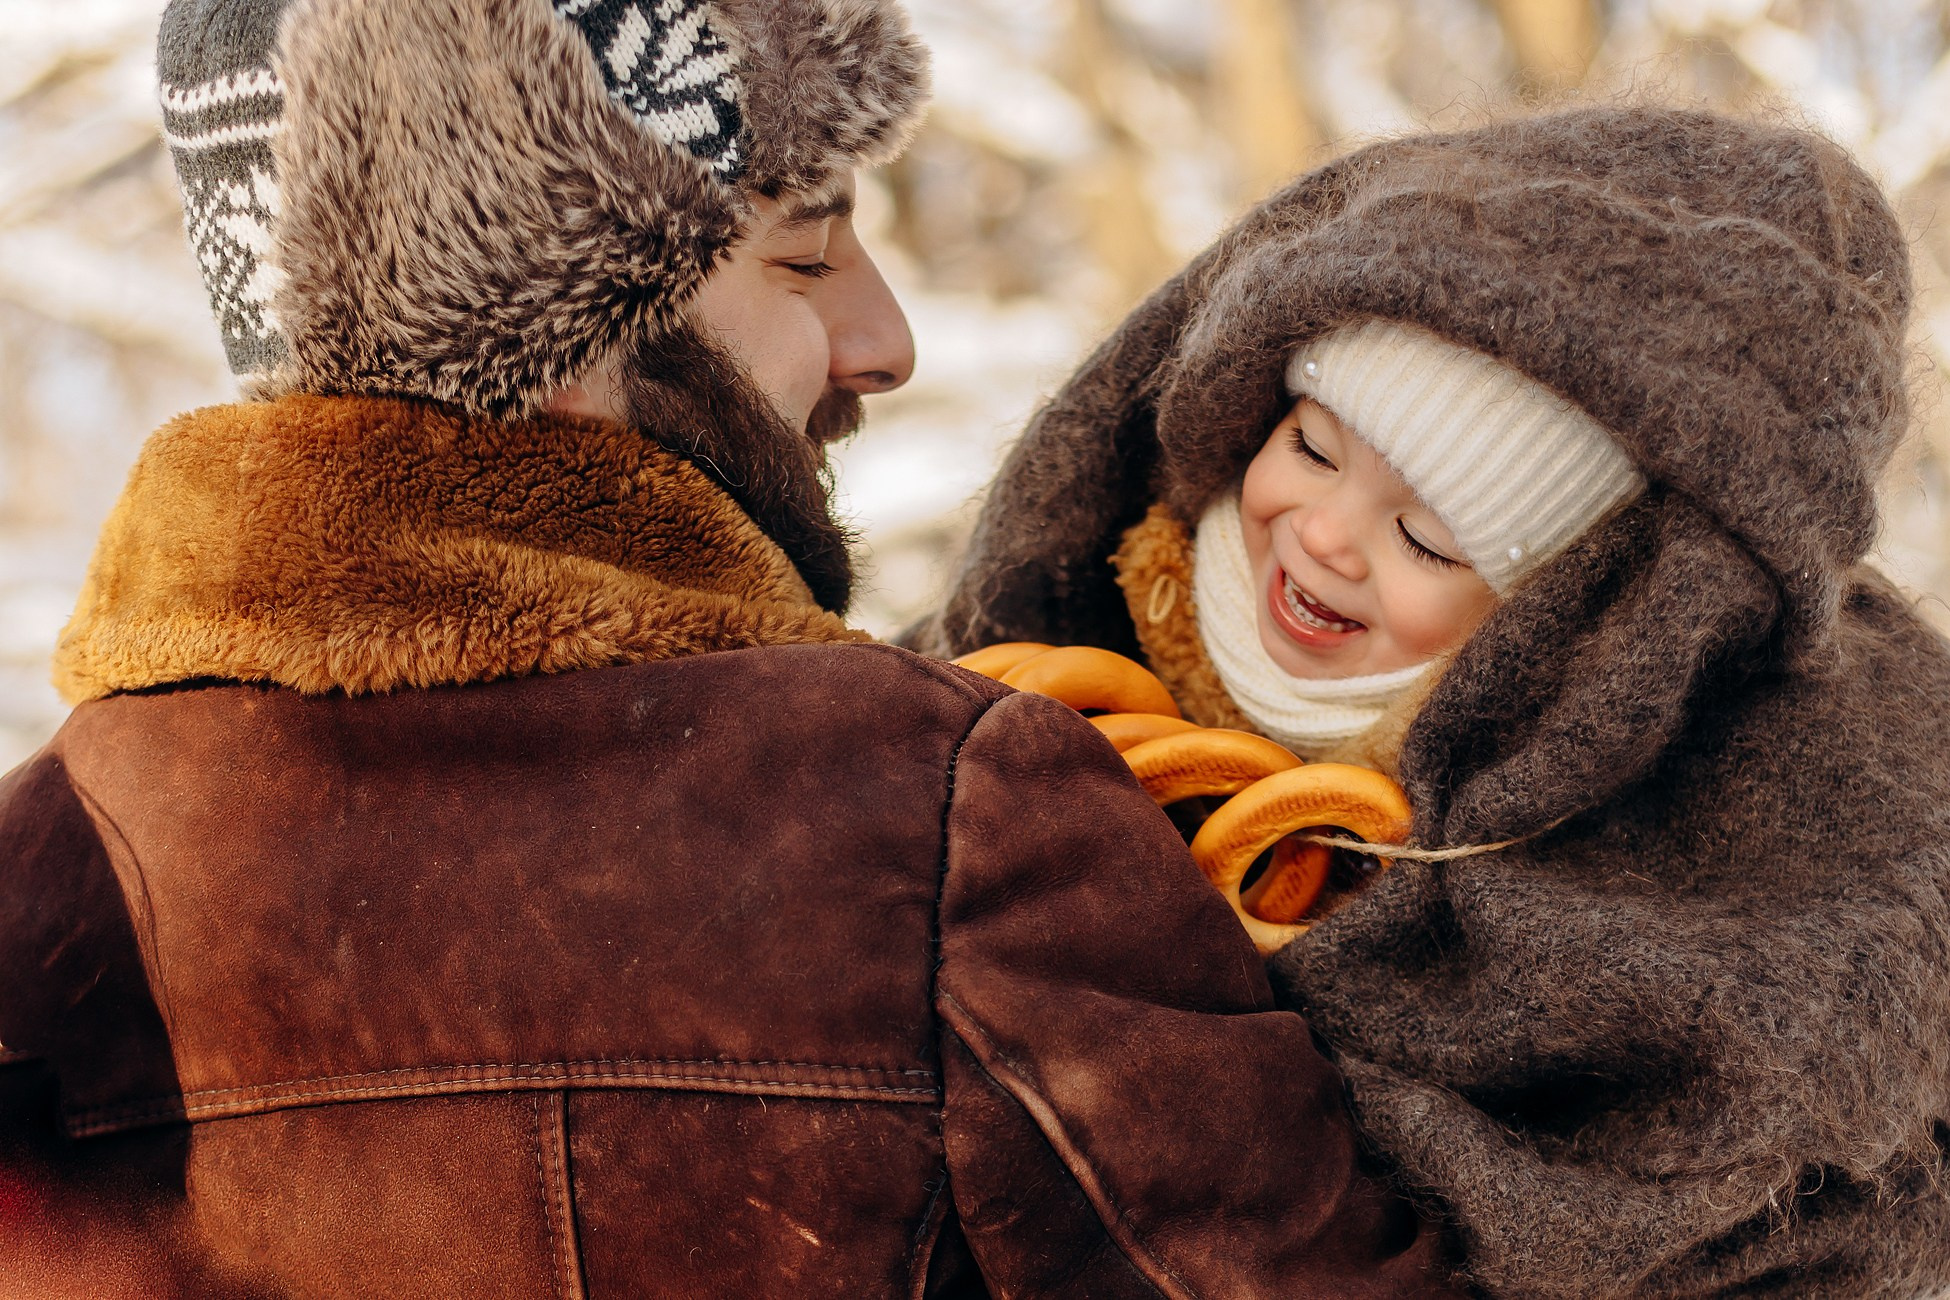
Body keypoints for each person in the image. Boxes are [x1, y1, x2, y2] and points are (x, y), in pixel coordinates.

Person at [0, 2, 1465, 1297]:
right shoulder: (945, 812)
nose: (884, 339)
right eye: (805, 254)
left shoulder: (37, 877)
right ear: (544, 316)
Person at [916, 105, 1950, 1296]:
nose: (1321, 535)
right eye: (1310, 446)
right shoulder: (1064, 625)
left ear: (1568, 630)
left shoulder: (1733, 888)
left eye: (1423, 537)